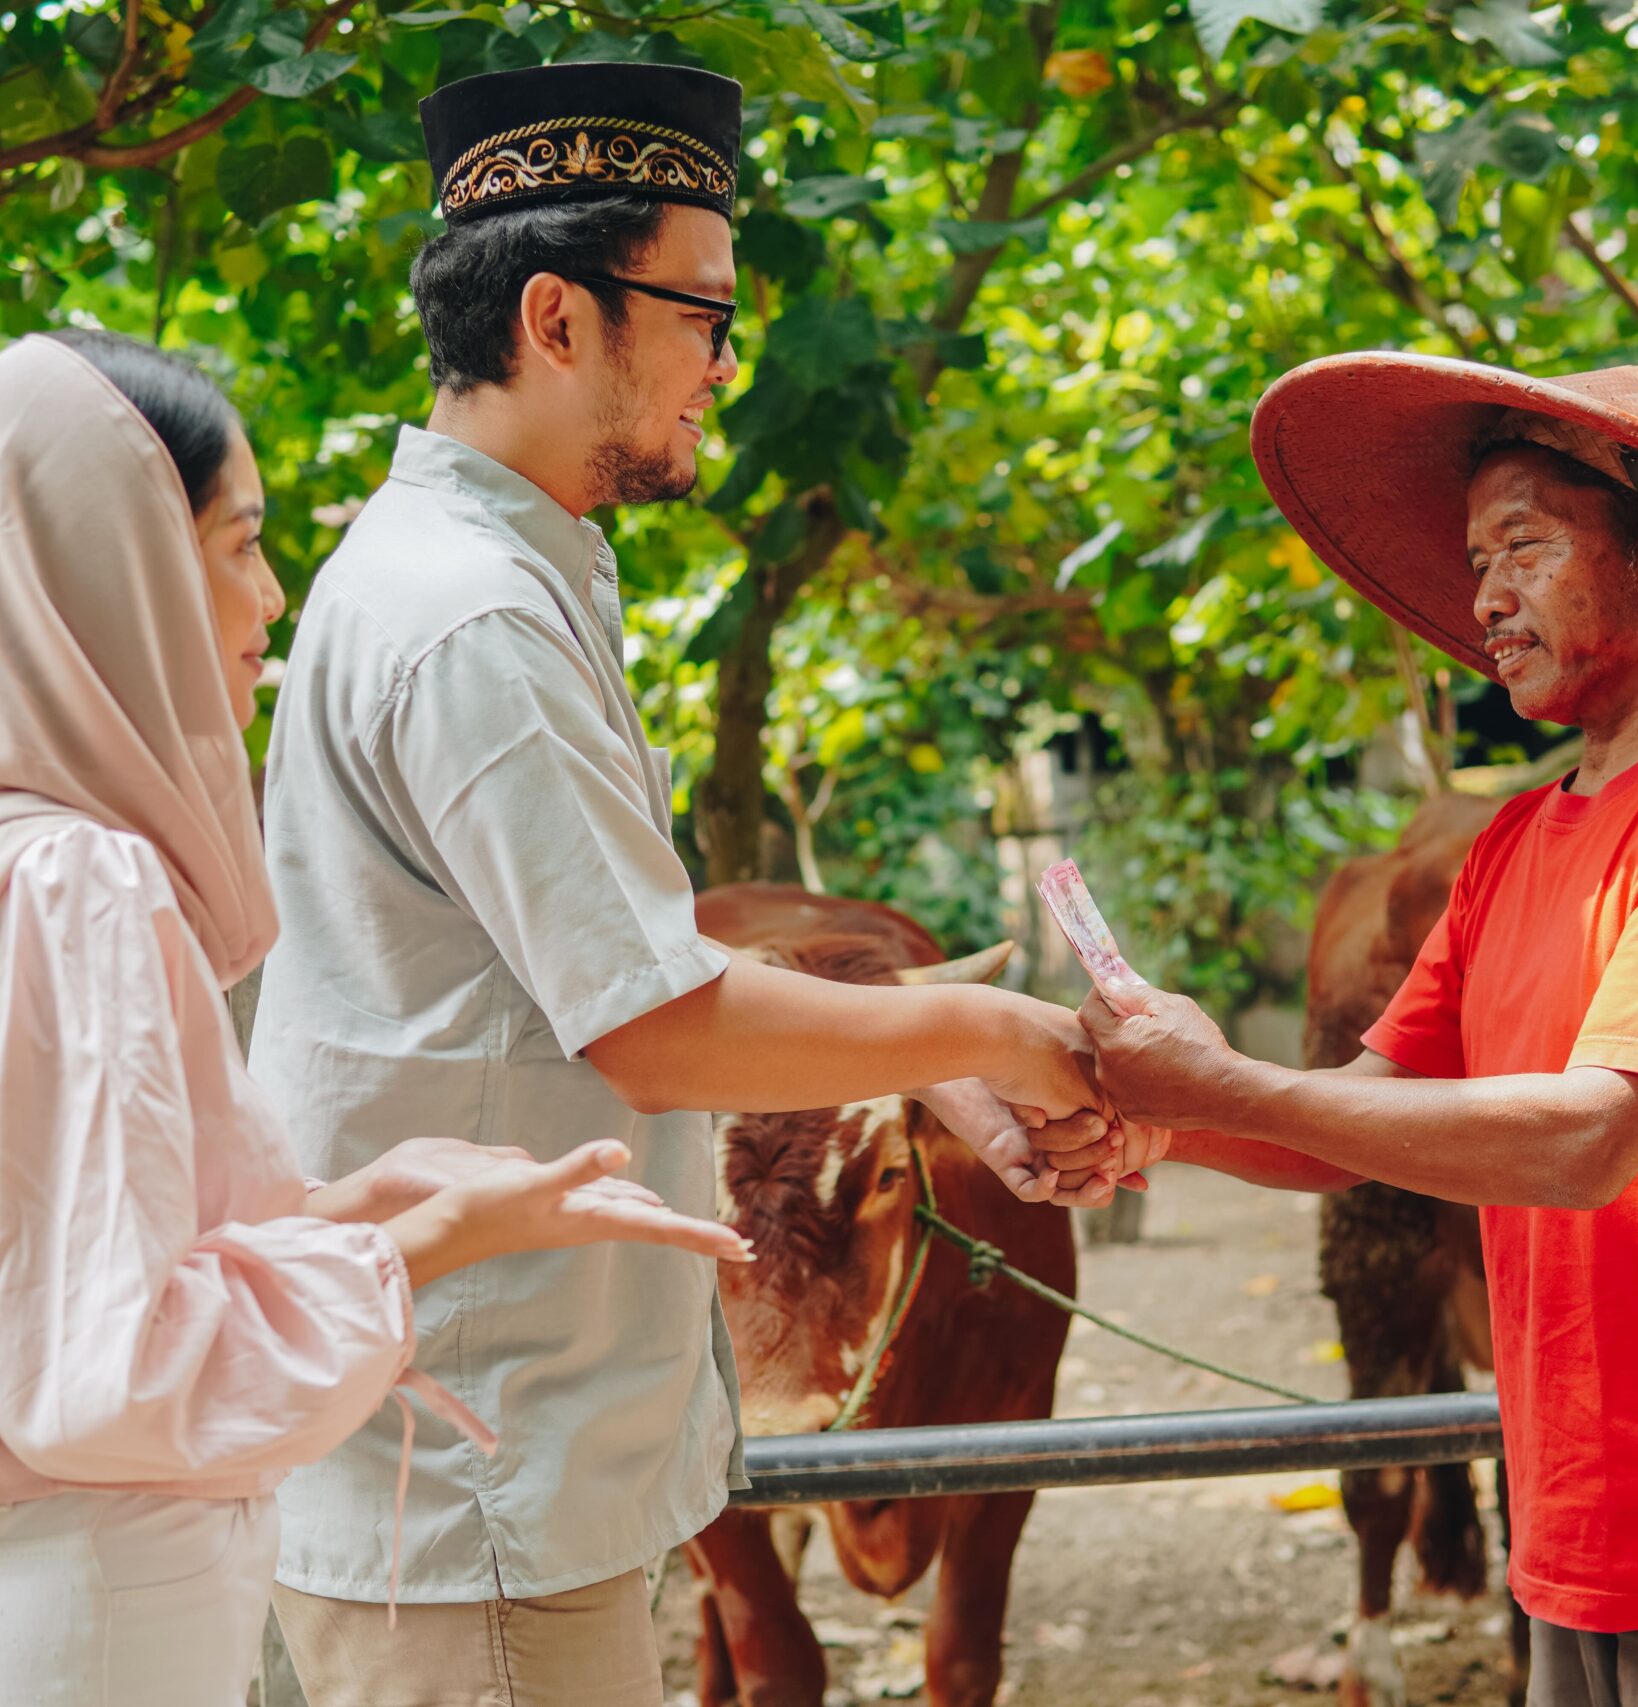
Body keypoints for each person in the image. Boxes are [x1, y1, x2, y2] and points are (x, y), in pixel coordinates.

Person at [248, 62, 1108, 1705]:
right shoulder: (474, 619)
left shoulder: (511, 575)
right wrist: (991, 1029)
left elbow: (600, 986)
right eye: (703, 315)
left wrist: (935, 1061)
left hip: (501, 1459)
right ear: (560, 320)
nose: (728, 360)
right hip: (483, 1479)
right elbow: (657, 1018)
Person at [0, 329, 749, 1707]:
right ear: (116, 572)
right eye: (239, 546)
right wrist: (430, 1242)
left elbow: (63, 1286)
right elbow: (104, 1376)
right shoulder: (74, 884)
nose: (272, 597)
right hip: (79, 1631)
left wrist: (350, 1204)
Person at [1056, 356, 1638, 1704]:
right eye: (1474, 560)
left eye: (1524, 543)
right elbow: (1361, 1124)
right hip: (1575, 1529)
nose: (1484, 596)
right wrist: (1161, 1119)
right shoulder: (1520, 842)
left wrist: (1229, 1085)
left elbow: (1589, 1140)